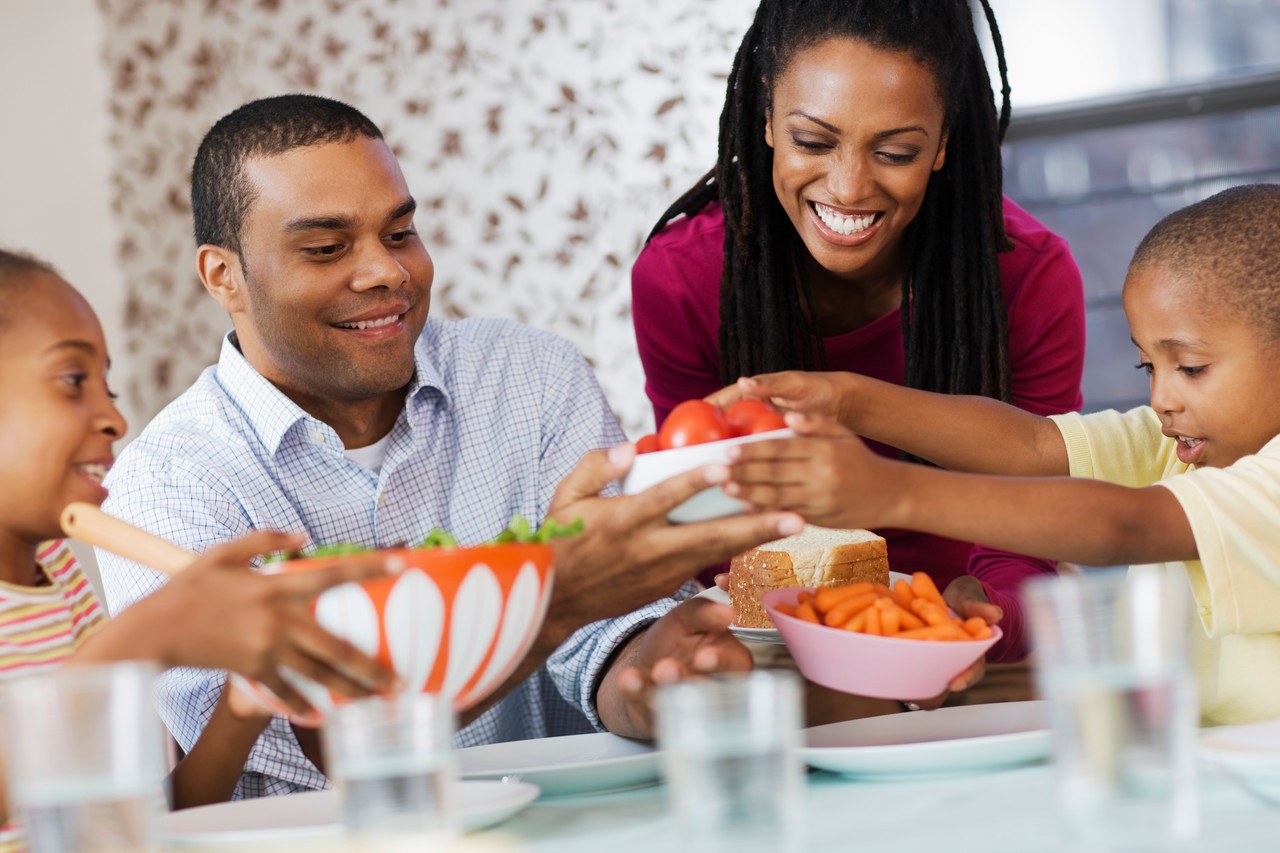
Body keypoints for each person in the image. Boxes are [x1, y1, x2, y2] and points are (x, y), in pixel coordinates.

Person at [98, 94, 804, 799]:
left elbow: (612, 631)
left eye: (400, 232)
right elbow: (308, 766)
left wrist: (652, 674)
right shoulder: (164, 486)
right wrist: (547, 601)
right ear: (223, 276)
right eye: (326, 248)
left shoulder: (530, 375)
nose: (387, 272)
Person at [720, 184, 1280, 726]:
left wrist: (889, 489)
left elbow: (1124, 526)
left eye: (1191, 368)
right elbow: (1031, 447)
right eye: (1148, 368)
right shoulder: (1185, 445)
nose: (1160, 398)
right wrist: (844, 399)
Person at [631, 0, 1086, 662]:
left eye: (897, 151)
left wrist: (981, 616)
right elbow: (705, 524)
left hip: (960, 651)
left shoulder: (1029, 280)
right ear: (765, 114)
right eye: (813, 141)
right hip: (772, 660)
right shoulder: (682, 280)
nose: (847, 188)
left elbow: (1034, 529)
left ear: (944, 141)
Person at [0, 248, 404, 849]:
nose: (114, 417)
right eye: (73, 381)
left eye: (107, 386)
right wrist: (151, 632)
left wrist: (246, 699)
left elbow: (147, 824)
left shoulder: (57, 576)